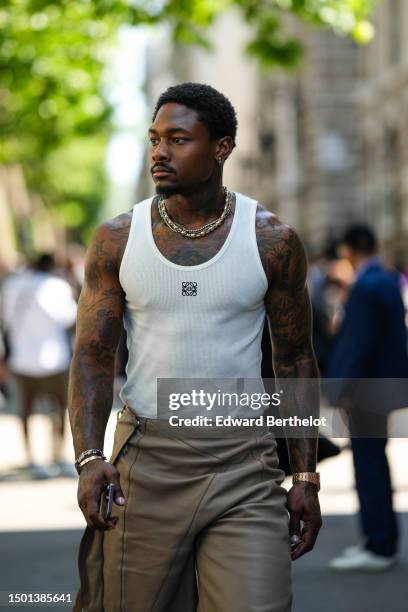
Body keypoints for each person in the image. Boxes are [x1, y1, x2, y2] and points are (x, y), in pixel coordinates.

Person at [69, 82, 322, 612]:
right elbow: (93, 354)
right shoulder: (117, 239)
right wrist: (90, 458)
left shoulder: (272, 240)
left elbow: (295, 359)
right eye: (154, 139)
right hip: (147, 462)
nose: (160, 152)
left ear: (222, 148)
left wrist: (305, 475)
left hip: (244, 466)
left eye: (179, 139)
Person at [326, 225, 408, 571]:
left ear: (349, 250)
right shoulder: (387, 278)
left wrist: (339, 389)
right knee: (374, 460)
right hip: (383, 386)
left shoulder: (364, 285)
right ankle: (380, 541)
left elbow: (357, 344)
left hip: (365, 390)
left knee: (368, 463)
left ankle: (378, 544)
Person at [0, 254, 77, 478]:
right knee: (60, 409)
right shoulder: (57, 286)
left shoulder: (12, 285)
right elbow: (69, 318)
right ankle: (57, 456)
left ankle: (32, 459)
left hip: (21, 359)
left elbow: (5, 319)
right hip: (54, 358)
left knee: (25, 410)